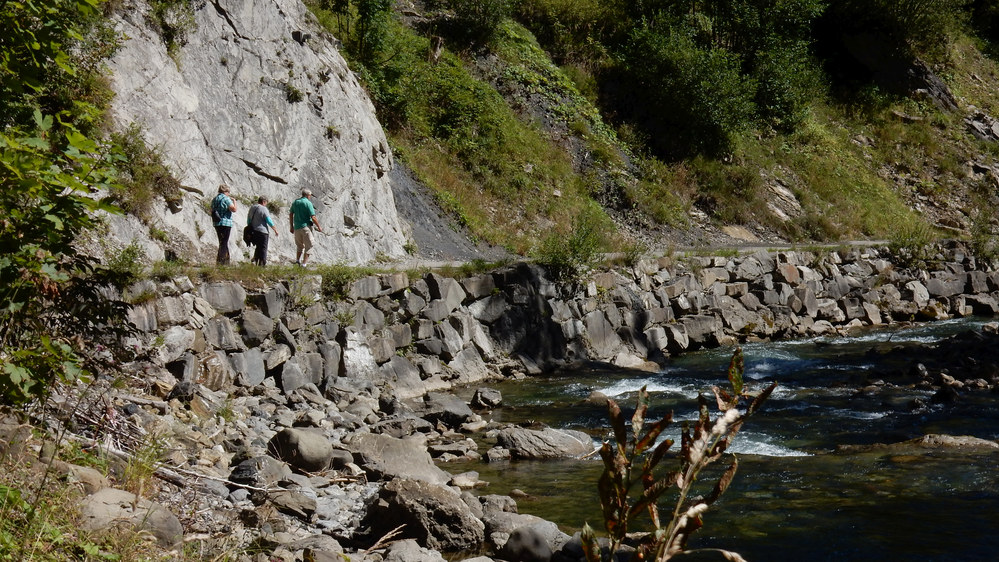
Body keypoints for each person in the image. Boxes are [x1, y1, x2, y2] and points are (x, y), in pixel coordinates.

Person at [289, 188, 322, 266]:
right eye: (310, 195)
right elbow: (313, 217)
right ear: (308, 195)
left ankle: (297, 261)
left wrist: (291, 226)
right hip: (305, 227)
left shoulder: (295, 202)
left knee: (299, 245)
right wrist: (319, 226)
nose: (310, 197)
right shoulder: (308, 203)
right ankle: (304, 264)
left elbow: (291, 214)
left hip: (297, 227)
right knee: (309, 245)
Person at [247, 196, 279, 266]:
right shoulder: (264, 209)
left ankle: (255, 260)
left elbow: (249, 219)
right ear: (264, 202)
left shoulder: (252, 207)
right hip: (263, 231)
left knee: (258, 246)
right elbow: (268, 220)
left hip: (254, 230)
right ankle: (262, 264)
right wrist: (275, 229)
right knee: (263, 248)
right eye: (266, 203)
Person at [211, 184, 236, 264]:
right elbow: (234, 209)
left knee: (222, 242)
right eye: (228, 192)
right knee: (224, 242)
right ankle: (221, 262)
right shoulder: (226, 199)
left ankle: (226, 261)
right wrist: (234, 201)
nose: (229, 193)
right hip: (226, 223)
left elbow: (211, 209)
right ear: (226, 191)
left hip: (217, 223)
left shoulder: (215, 199)